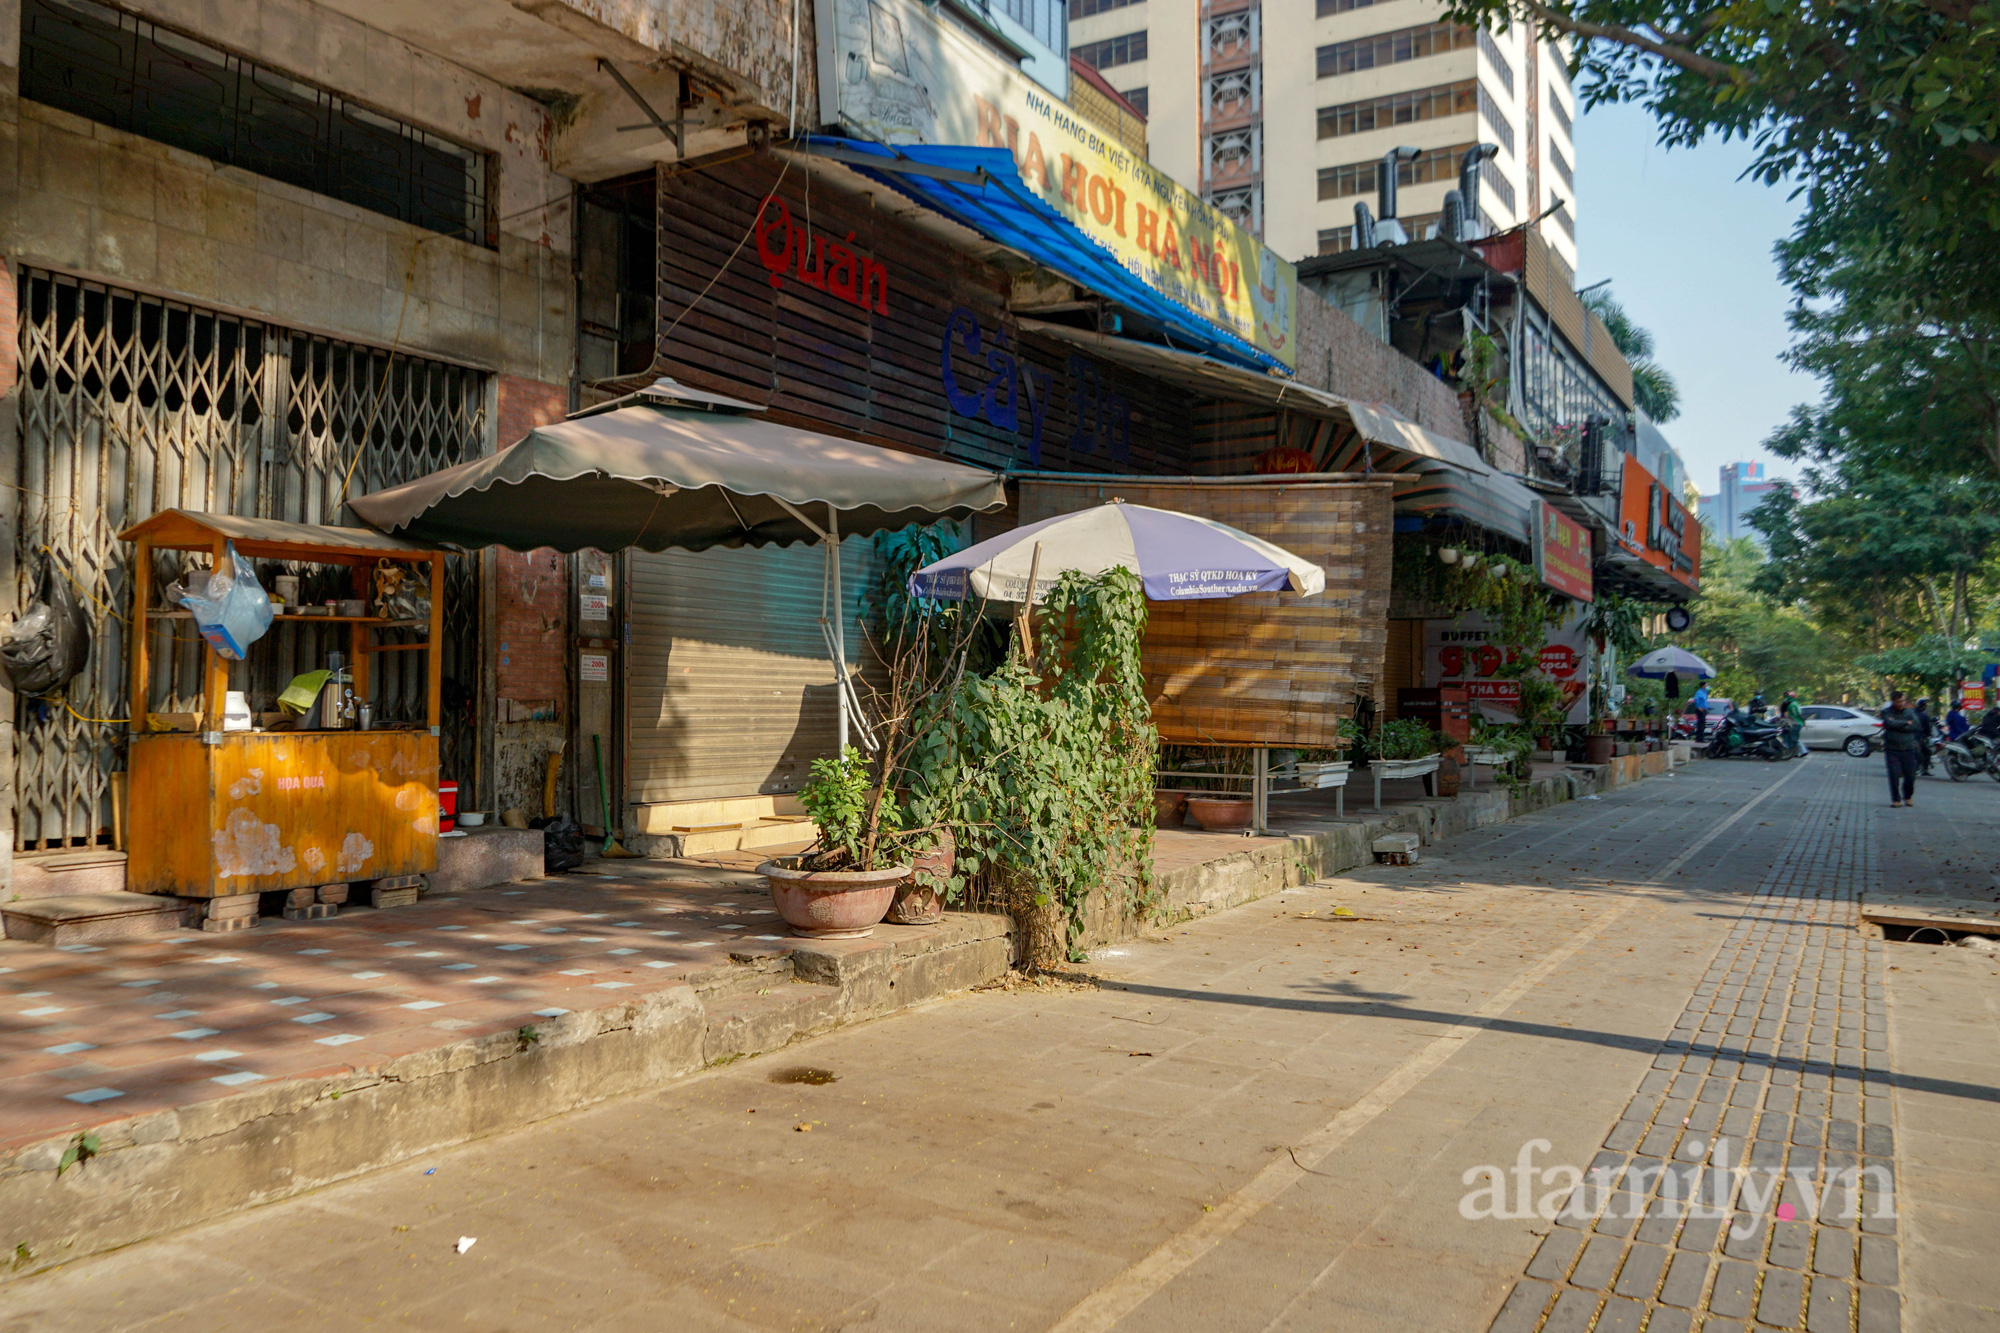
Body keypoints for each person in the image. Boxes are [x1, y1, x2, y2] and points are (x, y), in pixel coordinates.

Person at [1881, 691, 1922, 806]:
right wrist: (1905, 723)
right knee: (1893, 774)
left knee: (1910, 775)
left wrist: (1898, 724)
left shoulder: (1910, 712)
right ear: (1893, 701)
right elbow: (1889, 724)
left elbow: (1916, 725)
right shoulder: (1886, 712)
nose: (1901, 703)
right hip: (1892, 749)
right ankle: (1896, 799)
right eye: (1899, 701)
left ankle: (1908, 796)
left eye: (1903, 701)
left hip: (1909, 748)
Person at [1782, 689, 1807, 757]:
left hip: (1795, 723)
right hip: (1797, 722)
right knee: (1794, 737)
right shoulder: (1795, 704)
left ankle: (1803, 750)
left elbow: (1797, 714)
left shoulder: (1791, 705)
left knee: (1794, 738)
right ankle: (1795, 753)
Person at [1915, 697, 1936, 776]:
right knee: (1926, 752)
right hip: (1919, 737)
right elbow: (1927, 729)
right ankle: (1924, 770)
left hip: (1909, 736)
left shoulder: (1911, 713)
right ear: (1923, 706)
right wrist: (1928, 735)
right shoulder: (1924, 716)